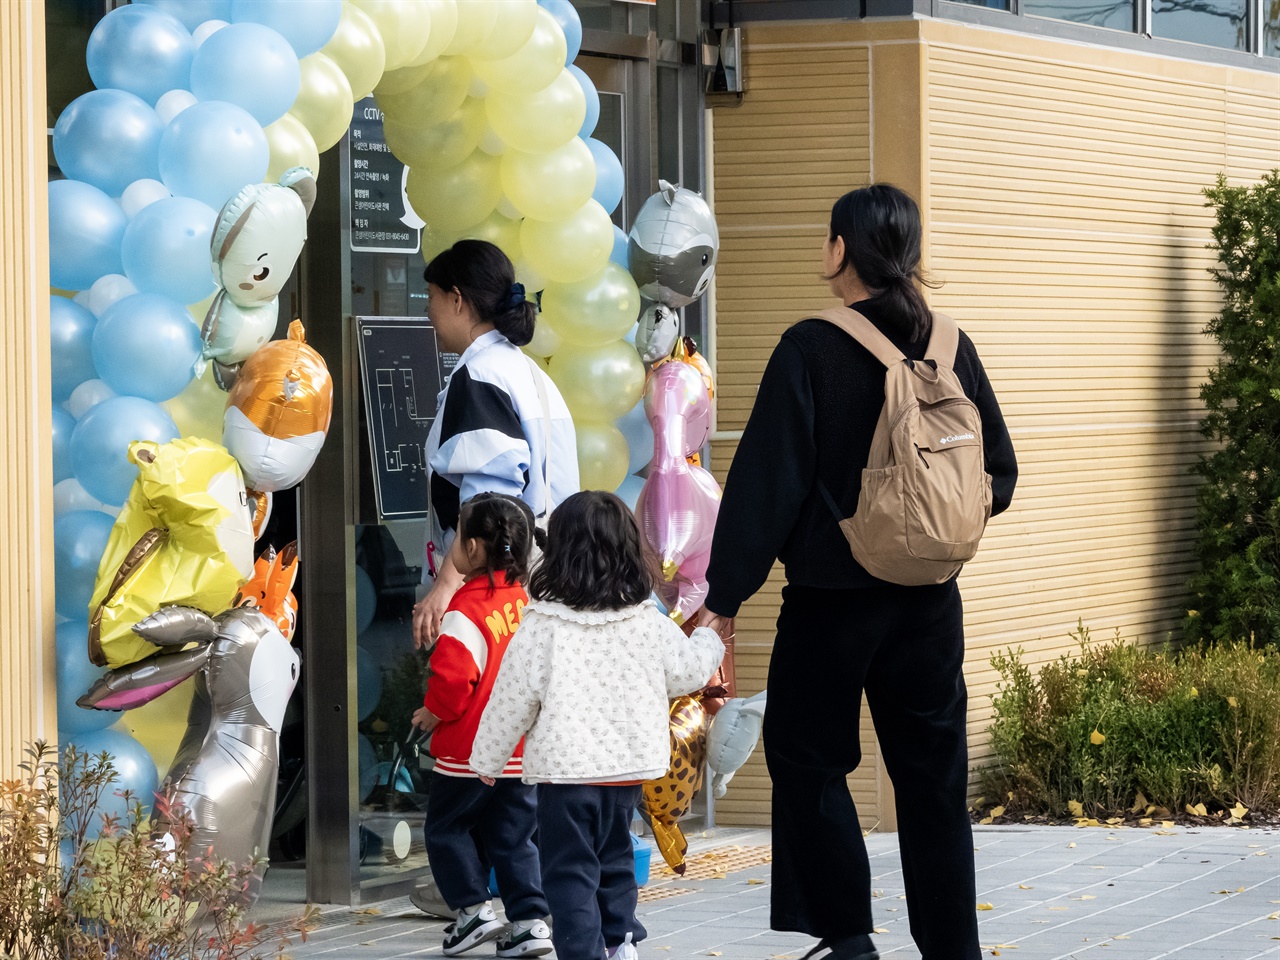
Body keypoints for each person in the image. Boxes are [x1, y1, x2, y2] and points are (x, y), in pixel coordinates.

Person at [698, 184, 1018, 960]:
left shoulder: (811, 347)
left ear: (844, 249)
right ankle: (954, 950)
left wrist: (724, 596)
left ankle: (847, 940)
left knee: (809, 764)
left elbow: (767, 483)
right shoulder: (949, 343)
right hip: (932, 605)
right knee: (933, 781)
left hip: (832, 604)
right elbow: (999, 476)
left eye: (826, 235)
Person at [470, 491, 725, 960]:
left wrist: (487, 759)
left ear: (558, 554)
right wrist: (710, 636)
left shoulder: (543, 624)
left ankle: (583, 952)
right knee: (615, 861)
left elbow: (511, 700)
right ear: (628, 553)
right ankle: (619, 941)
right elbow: (690, 669)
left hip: (565, 778)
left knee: (569, 871)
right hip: (626, 772)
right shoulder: (646, 622)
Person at [413, 239, 579, 651]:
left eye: (431, 297)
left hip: (492, 594)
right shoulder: (529, 373)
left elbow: (490, 500)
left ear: (457, 300)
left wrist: (446, 586)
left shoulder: (481, 375)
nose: (427, 311)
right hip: (545, 579)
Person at [411, 492, 553, 958]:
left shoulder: (465, 610)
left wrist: (433, 713)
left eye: (456, 531)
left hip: (469, 750)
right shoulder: (529, 603)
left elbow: (453, 682)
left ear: (472, 549)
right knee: (514, 835)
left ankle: (472, 911)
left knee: (447, 828)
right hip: (520, 750)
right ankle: (530, 921)